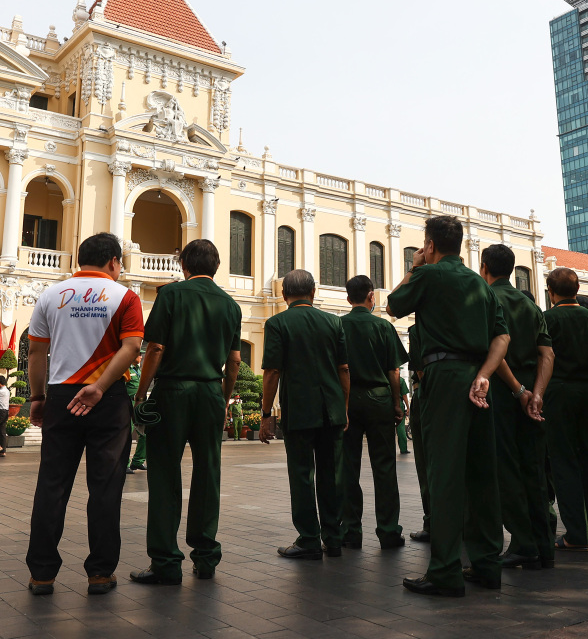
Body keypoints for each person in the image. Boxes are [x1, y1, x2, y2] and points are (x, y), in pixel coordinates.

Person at [387, 215, 509, 596]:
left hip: (444, 377)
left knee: (444, 474)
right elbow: (502, 336)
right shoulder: (479, 283)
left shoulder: (428, 275)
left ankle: (445, 571)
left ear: (431, 245)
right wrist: (485, 374)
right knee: (482, 473)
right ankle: (487, 565)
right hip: (478, 379)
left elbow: (393, 305)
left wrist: (414, 267)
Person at [24, 232, 144, 596]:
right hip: (107, 399)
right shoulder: (126, 297)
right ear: (113, 262)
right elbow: (132, 347)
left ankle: (42, 574)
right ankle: (100, 573)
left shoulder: (50, 295)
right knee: (106, 487)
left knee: (52, 485)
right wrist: (99, 388)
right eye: (120, 263)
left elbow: (34, 353)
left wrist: (38, 397)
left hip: (61, 396)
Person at [128, 239, 243, 584]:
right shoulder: (231, 305)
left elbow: (157, 347)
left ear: (184, 265)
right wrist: (223, 400)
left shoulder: (172, 295)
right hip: (210, 391)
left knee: (164, 474)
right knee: (209, 473)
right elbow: (234, 362)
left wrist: (142, 394)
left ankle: (166, 562)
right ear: (216, 266)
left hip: (173, 390)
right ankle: (205, 558)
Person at [259, 269, 350, 560]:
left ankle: (309, 539)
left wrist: (265, 413)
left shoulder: (277, 323)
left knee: (301, 474)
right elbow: (343, 369)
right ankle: (334, 539)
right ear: (313, 293)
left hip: (298, 410)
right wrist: (344, 406)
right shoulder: (334, 322)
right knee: (331, 475)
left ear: (285, 296)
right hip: (331, 409)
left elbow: (272, 370)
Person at [481, 243, 555, 571]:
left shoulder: (486, 300)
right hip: (532, 394)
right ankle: (544, 545)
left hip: (503, 393)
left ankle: (524, 543)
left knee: (507, 470)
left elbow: (494, 354)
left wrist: (519, 390)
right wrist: (536, 393)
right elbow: (547, 354)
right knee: (535, 470)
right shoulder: (530, 305)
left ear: (485, 268)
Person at [543, 267, 588, 553]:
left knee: (564, 462)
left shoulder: (548, 319)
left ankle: (577, 533)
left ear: (551, 292)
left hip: (560, 392)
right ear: (577, 290)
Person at [338, 274, 409, 550]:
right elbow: (394, 371)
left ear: (348, 298)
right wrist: (396, 402)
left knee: (348, 468)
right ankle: (389, 531)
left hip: (349, 401)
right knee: (384, 468)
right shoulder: (383, 327)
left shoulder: (338, 325)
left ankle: (351, 531)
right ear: (371, 297)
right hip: (379, 399)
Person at [404, 325, 432, 543]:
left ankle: (433, 522)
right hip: (467, 392)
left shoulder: (417, 330)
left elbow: (420, 371)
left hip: (428, 396)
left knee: (427, 464)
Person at [125, 351, 147, 473]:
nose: (140, 356)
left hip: (140, 404)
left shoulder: (140, 369)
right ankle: (125, 463)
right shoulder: (126, 369)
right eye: (138, 354)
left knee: (144, 433)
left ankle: (138, 461)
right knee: (127, 434)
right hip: (129, 403)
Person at [396, 377, 411, 454]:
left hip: (385, 403)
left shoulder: (384, 378)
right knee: (400, 427)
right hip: (399, 404)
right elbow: (404, 395)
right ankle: (403, 448)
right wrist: (408, 407)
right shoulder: (400, 380)